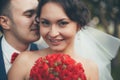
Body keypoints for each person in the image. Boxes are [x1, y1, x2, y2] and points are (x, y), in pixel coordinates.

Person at [8, 0, 99, 80]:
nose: (53, 33)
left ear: (78, 26)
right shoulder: (24, 61)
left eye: (62, 23)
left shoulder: (90, 68)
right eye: (45, 23)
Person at [0, 0, 44, 80]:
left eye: (38, 14)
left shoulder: (47, 55)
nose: (38, 20)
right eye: (29, 15)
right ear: (5, 22)